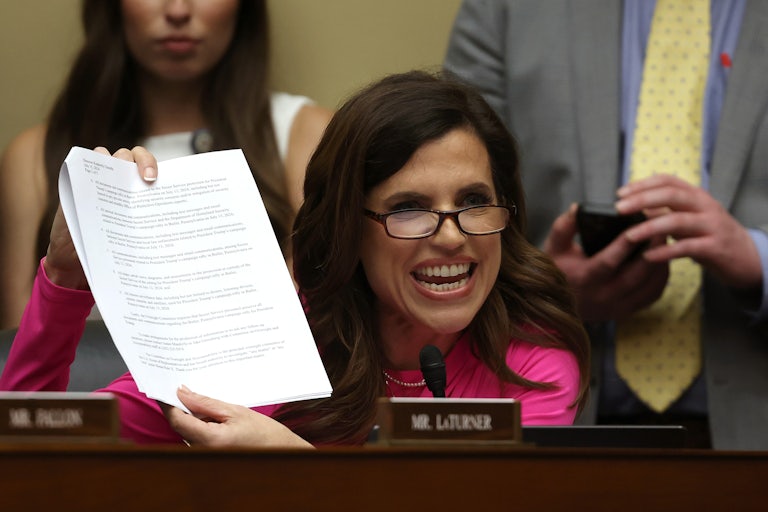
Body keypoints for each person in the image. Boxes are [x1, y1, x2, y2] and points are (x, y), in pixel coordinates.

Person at [0, 71, 590, 447]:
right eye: (408, 208)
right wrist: (66, 279)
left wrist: (294, 471)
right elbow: (32, 452)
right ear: (348, 228)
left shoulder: (529, 355)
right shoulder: (274, 337)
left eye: (474, 203)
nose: (453, 236)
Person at [444, 0, 768, 450]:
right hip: (552, 434)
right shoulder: (507, 10)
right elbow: (445, 202)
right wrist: (542, 292)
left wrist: (759, 265)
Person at [0, 0, 332, 329]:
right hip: (79, 381)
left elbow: (325, 329)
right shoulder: (33, 157)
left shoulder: (307, 135)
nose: (178, 11)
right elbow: (18, 360)